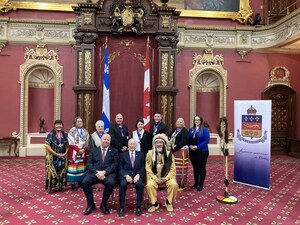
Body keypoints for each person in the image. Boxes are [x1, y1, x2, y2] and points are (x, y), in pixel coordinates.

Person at [81, 134, 118, 215]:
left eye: (108, 140)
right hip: (95, 173)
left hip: (107, 174)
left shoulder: (114, 151)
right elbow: (89, 164)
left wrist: (104, 172)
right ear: (101, 140)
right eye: (104, 139)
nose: (106, 141)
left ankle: (103, 204)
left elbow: (115, 165)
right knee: (84, 182)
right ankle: (91, 204)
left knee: (111, 183)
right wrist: (96, 172)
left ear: (110, 141)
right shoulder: (93, 150)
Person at [145, 133, 178, 212]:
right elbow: (148, 168)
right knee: (149, 185)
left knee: (174, 184)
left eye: (160, 142)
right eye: (157, 142)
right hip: (154, 176)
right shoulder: (150, 153)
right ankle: (154, 204)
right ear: (154, 144)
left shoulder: (169, 154)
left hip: (166, 176)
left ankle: (168, 202)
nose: (158, 144)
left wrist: (166, 178)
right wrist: (155, 178)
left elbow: (173, 169)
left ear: (164, 143)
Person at [118, 138, 145, 217]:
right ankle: (122, 207)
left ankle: (139, 207)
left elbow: (143, 167)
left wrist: (139, 175)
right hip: (126, 175)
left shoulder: (141, 154)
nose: (132, 145)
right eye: (130, 144)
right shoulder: (122, 155)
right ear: (128, 145)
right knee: (122, 185)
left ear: (136, 145)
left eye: (133, 144)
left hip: (137, 175)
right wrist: (126, 175)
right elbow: (120, 168)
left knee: (140, 185)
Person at [44, 120, 69, 193]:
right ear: (54, 125)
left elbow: (67, 145)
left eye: (60, 124)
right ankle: (52, 187)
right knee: (53, 171)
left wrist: (65, 153)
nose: (59, 126)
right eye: (57, 124)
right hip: (53, 157)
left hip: (63, 156)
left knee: (62, 171)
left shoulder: (65, 134)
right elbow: (47, 146)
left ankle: (61, 186)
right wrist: (56, 154)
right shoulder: (50, 134)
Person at [67, 116, 89, 191]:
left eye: (81, 121)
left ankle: (80, 182)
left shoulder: (85, 131)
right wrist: (78, 149)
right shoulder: (72, 131)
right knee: (74, 167)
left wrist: (83, 149)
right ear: (75, 123)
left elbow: (87, 142)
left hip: (82, 152)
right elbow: (70, 142)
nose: (80, 123)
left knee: (81, 167)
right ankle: (73, 183)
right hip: (74, 152)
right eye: (78, 121)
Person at [188, 115, 210, 192]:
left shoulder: (204, 129)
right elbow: (188, 139)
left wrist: (197, 147)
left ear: (201, 121)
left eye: (198, 120)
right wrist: (189, 146)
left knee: (201, 168)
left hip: (202, 151)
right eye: (195, 120)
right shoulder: (191, 129)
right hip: (192, 151)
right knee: (195, 167)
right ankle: (196, 183)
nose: (197, 121)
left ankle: (201, 184)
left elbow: (206, 141)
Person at [169, 117, 189, 189]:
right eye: (178, 122)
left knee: (180, 168)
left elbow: (183, 142)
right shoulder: (174, 130)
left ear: (183, 123)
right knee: (174, 167)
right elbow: (169, 137)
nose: (179, 123)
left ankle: (181, 184)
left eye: (181, 122)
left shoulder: (185, 131)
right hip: (174, 151)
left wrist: (175, 148)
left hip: (181, 152)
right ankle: (173, 182)